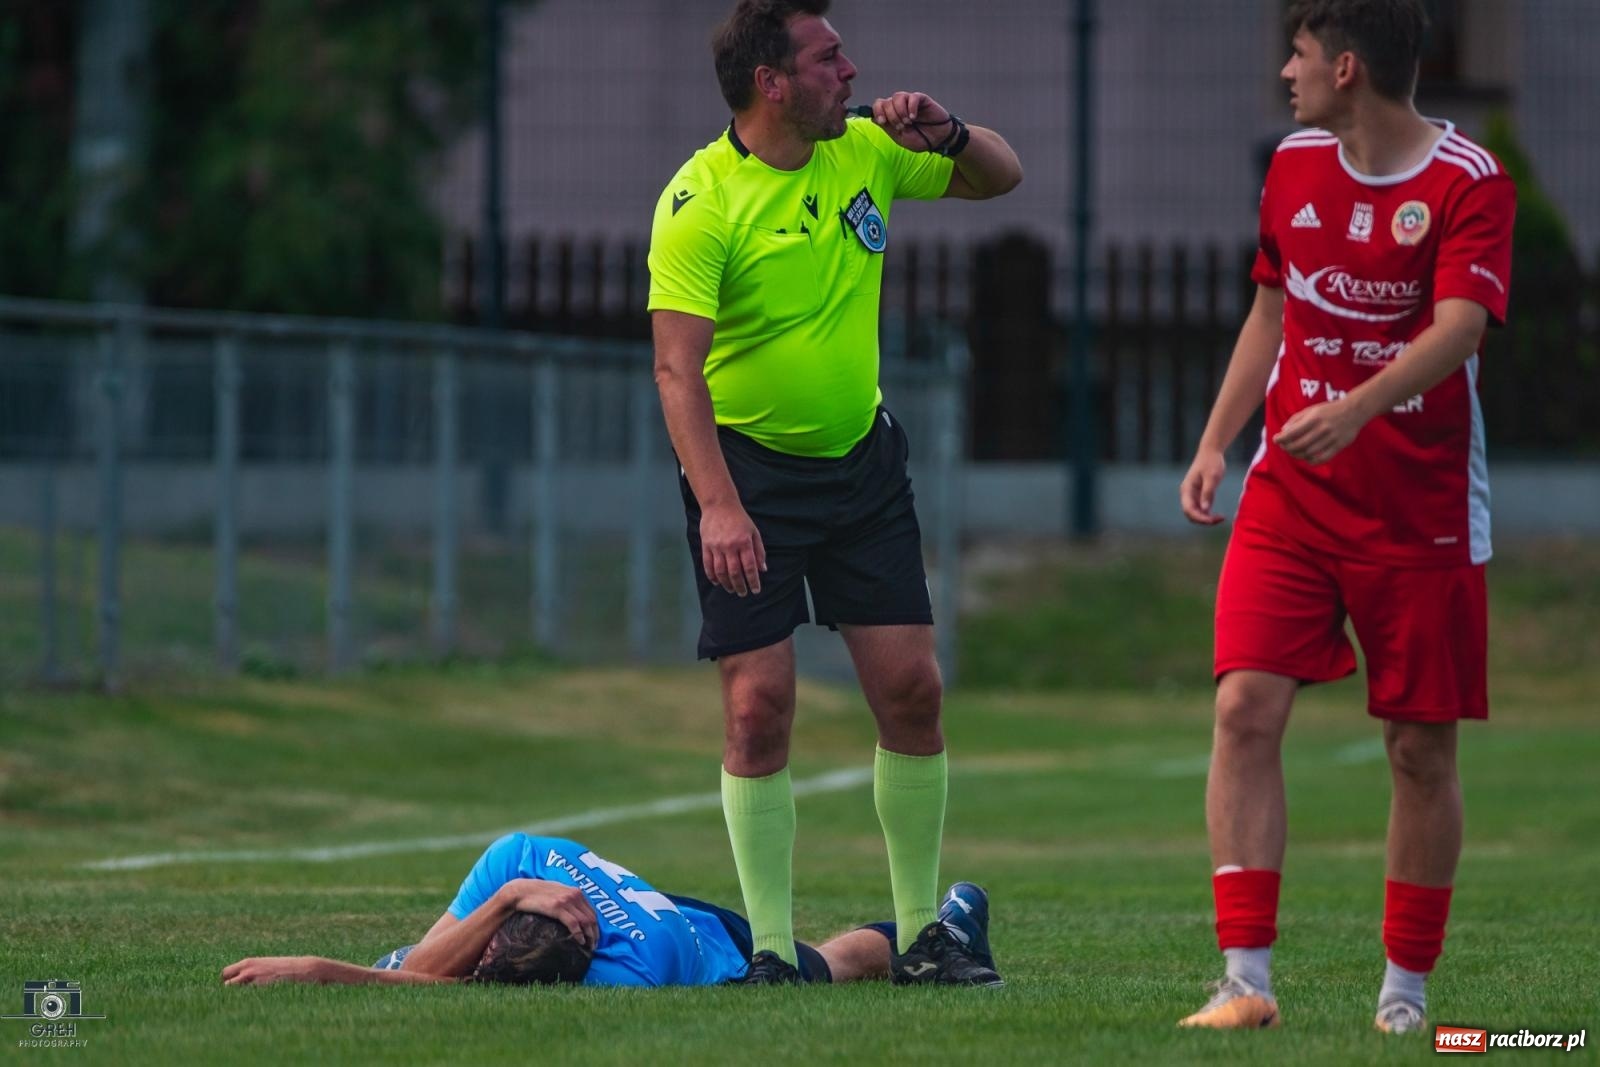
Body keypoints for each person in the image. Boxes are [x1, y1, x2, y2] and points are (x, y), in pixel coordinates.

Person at [647, 0, 1020, 988]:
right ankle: (772, 951)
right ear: (771, 83)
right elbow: (677, 371)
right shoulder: (700, 200)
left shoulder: (865, 150)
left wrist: (948, 131)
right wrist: (720, 505)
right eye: (827, 58)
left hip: (861, 467)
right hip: (749, 478)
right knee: (758, 706)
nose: (850, 72)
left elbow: (1001, 176)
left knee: (912, 691)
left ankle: (923, 936)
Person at [1176, 0, 1514, 1036]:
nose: (1287, 71)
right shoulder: (1290, 166)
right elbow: (1271, 309)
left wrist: (1359, 408)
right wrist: (1217, 439)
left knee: (1418, 749)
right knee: (1243, 707)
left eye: (1299, 53)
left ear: (1348, 67)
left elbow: (1461, 328)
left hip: (1420, 508)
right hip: (1291, 492)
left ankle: (1405, 994)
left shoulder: (1469, 180)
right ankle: (1244, 980)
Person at [222, 832, 997, 988]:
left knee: (826, 962)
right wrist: (504, 897)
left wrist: (323, 969)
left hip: (702, 940)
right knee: (419, 956)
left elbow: (430, 983)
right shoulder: (517, 858)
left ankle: (948, 927)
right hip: (641, 905)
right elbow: (429, 964)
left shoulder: (629, 975)